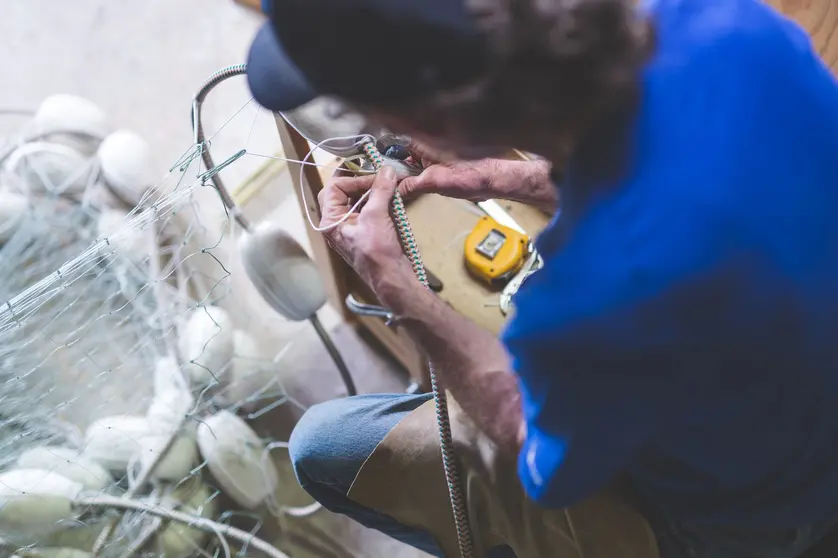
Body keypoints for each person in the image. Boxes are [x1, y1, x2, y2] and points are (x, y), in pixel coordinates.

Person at [246, 0, 838, 555]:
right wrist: (516, 176)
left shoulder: (588, 301)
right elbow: (688, 173)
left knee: (322, 446)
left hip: (773, 512)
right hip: (796, 364)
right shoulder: (723, 21)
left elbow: (532, 444)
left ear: (433, 116)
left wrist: (393, 282)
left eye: (366, 107)